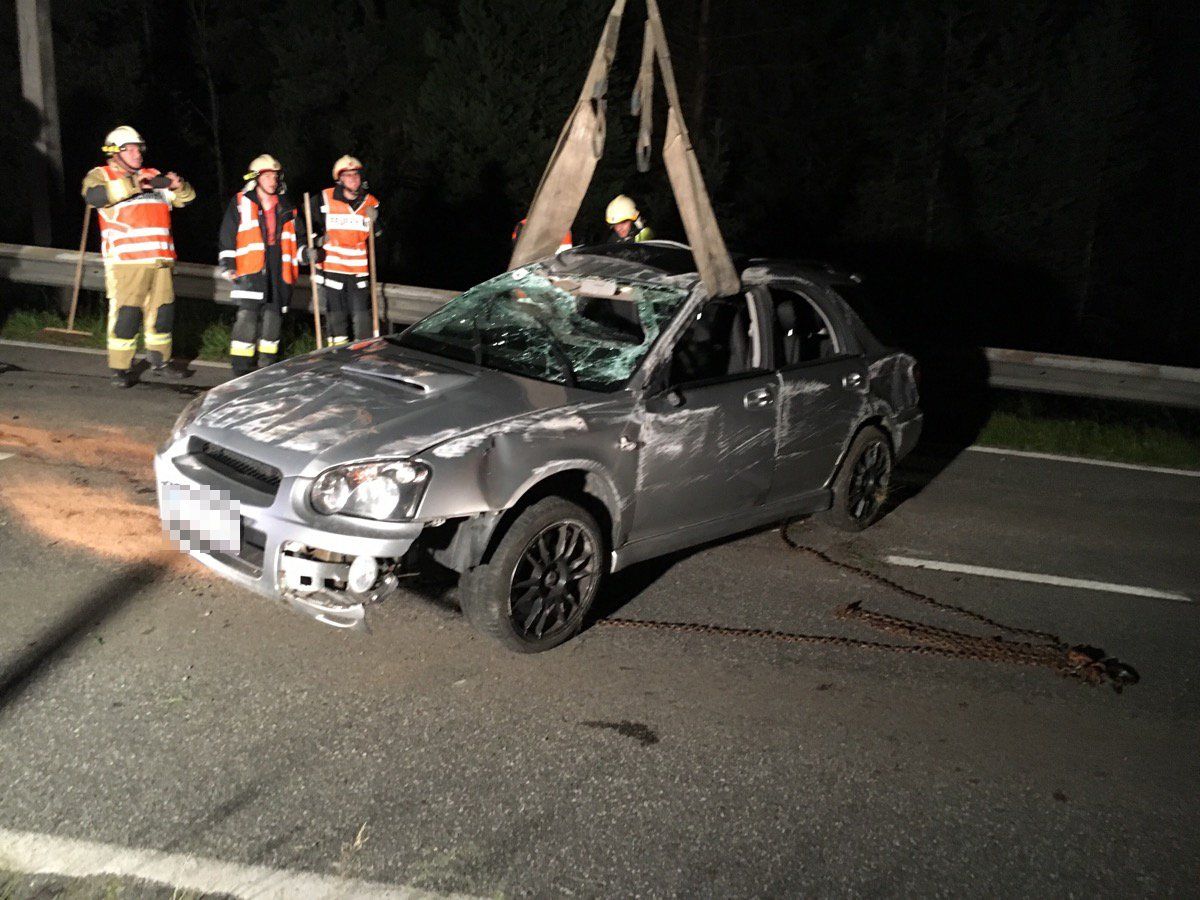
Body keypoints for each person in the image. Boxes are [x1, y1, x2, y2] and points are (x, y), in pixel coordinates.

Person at [81, 125, 195, 387]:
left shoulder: (152, 175)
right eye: (129, 149)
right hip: (127, 262)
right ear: (114, 153)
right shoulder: (101, 175)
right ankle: (120, 368)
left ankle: (161, 362)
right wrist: (133, 184)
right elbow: (93, 196)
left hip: (161, 260)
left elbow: (186, 200)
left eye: (138, 148)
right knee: (127, 316)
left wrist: (180, 186)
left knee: (163, 314)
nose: (137, 154)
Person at [218, 155, 312, 375]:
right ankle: (241, 368)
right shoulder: (241, 201)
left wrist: (306, 253)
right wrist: (228, 264)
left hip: (279, 266)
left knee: (274, 315)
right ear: (256, 178)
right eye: (268, 176)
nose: (273, 180)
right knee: (247, 315)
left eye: (275, 176)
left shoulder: (288, 206)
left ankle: (266, 365)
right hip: (250, 267)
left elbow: (297, 240)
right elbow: (227, 235)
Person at [307, 156, 380, 346]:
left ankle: (363, 360)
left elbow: (378, 234)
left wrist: (375, 221)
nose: (353, 179)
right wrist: (315, 242)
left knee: (363, 320)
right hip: (333, 269)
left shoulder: (370, 202)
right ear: (339, 179)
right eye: (347, 176)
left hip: (359, 271)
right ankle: (337, 359)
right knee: (337, 322)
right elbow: (305, 228)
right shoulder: (324, 199)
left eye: (355, 175)